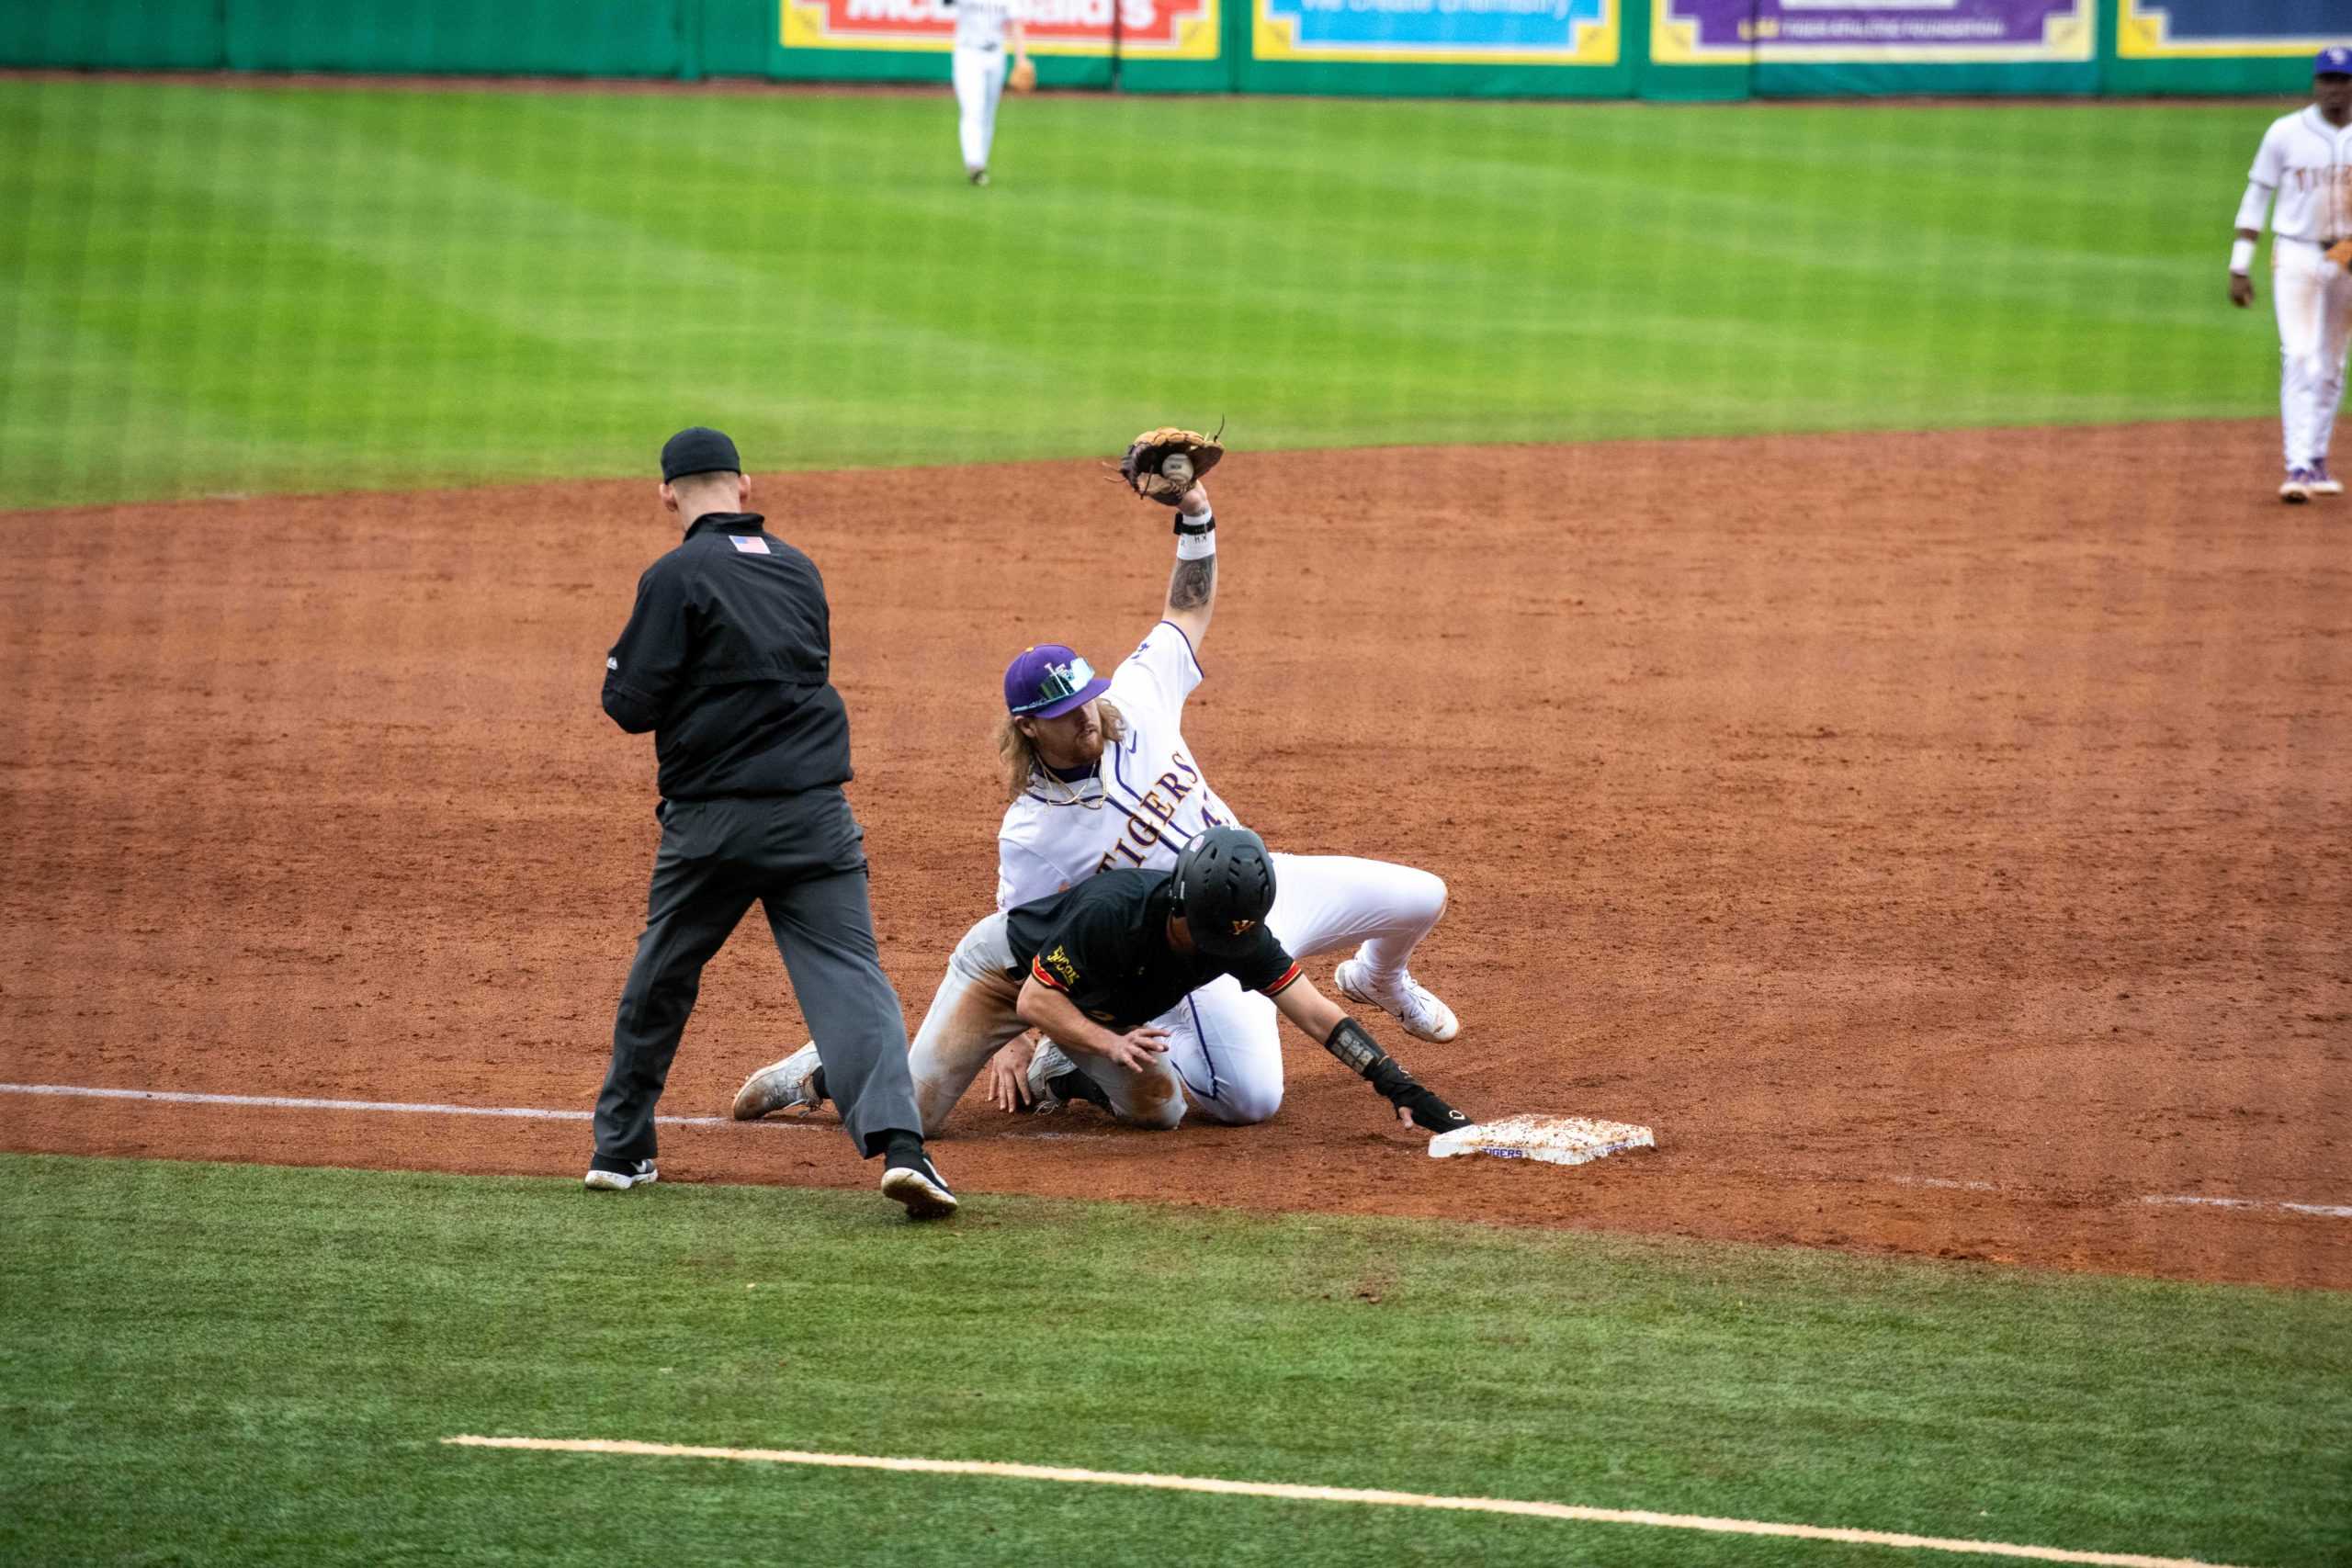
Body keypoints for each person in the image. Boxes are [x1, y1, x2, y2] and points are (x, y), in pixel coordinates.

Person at [732, 471, 1462, 1135]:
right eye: (1069, 713)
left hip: (1258, 890)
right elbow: (1022, 942)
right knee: (1249, 1100)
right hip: (1185, 947)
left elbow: (1188, 610)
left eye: (1088, 699)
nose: (1089, 718)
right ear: (1028, 726)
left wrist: (1197, 513)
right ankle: (849, 1065)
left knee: (1422, 896)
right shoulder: (1033, 831)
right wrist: (1018, 1038)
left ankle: (1377, 978)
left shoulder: (1135, 699)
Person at [588, 426, 955, 1220]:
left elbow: (627, 704)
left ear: (666, 494)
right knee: (852, 979)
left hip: (711, 825)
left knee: (663, 973)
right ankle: (904, 1148)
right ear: (744, 486)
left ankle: (619, 1151)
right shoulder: (799, 569)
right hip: (816, 817)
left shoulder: (674, 574)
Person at [744, 829, 1469, 1137]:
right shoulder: (1115, 911)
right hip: (1004, 977)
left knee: (1162, 1110)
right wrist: (1101, 1037)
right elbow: (1034, 998)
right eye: (1211, 935)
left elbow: (1316, 1014)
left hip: (1085, 1009)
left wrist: (1402, 1087)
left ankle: (1067, 1074)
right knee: (914, 1122)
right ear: (1181, 901)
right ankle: (827, 1068)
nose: (1221, 950)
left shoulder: (1239, 932)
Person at [2231, 47, 2352, 504]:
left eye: (2341, 80)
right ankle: (2296, 464)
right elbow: (2256, 196)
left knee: (2333, 363)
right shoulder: (2285, 132)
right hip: (2297, 255)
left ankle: (2317, 458)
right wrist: (2240, 263)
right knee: (2300, 355)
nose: (2333, 88)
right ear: (2315, 84)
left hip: (2348, 259)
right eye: (2326, 79)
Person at [948, 0, 1028, 186]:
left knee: (988, 112)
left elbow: (1016, 24)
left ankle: (980, 164)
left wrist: (1021, 60)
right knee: (972, 109)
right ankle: (974, 163)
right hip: (968, 54)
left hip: (995, 55)